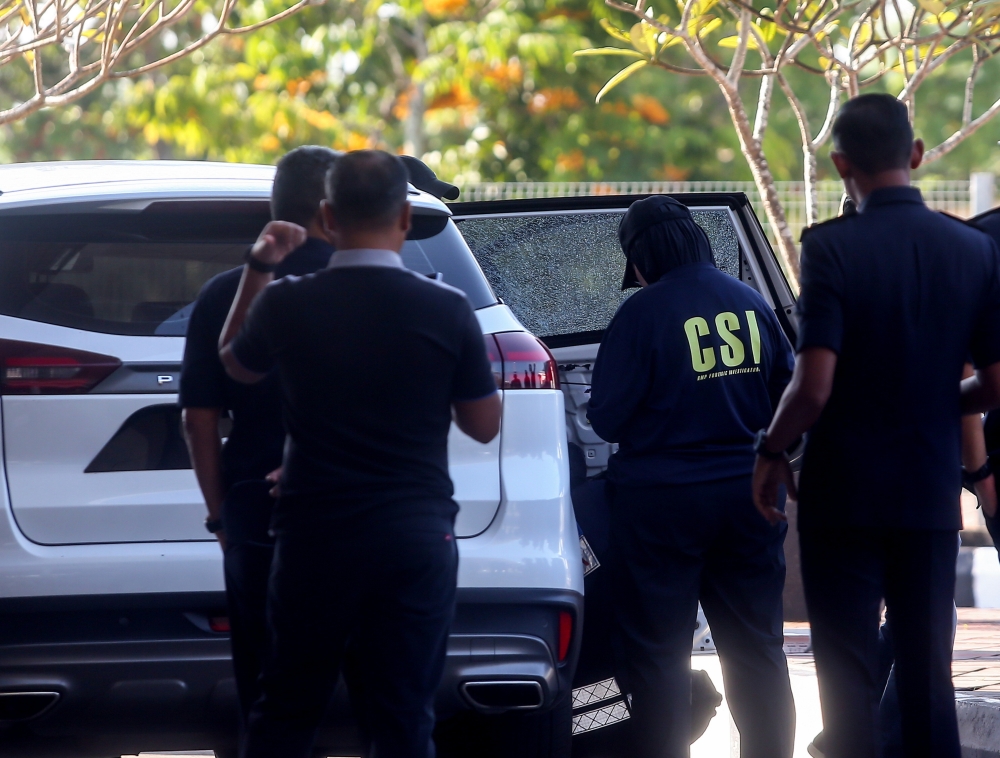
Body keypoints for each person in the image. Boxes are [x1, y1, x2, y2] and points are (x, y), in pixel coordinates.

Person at [217, 149, 502, 758]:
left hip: (313, 537)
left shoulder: (286, 302)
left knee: (285, 712)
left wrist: (258, 267)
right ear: (404, 217)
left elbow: (234, 365)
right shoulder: (446, 307)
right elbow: (483, 426)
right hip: (414, 536)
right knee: (403, 718)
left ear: (327, 216)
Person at [753, 93, 1000, 758]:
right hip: (927, 495)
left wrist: (772, 448)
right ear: (916, 155)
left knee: (848, 679)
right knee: (929, 678)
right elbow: (996, 385)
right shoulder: (974, 250)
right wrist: (932, 399)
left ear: (840, 166)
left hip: (844, 496)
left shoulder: (831, 249)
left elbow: (813, 386)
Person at [586, 195, 797, 758]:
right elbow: (789, 395)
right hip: (749, 496)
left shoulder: (643, 313)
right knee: (757, 649)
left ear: (639, 258)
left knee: (657, 655)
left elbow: (605, 416)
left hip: (661, 508)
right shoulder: (751, 302)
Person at [179, 145, 340, 754]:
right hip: (371, 512)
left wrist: (221, 515)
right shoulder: (383, 285)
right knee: (390, 694)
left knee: (268, 693)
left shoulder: (222, 296)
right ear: (335, 210)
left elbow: (199, 420)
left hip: (258, 514)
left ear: (275, 207)